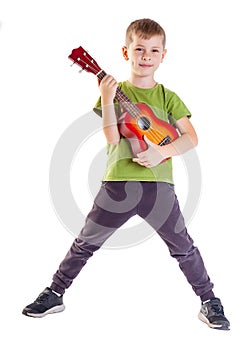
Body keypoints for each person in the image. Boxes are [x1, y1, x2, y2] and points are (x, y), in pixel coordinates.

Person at [22, 18, 230, 330]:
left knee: (183, 247)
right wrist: (107, 98)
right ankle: (55, 292)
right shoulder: (115, 92)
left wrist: (162, 151)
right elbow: (111, 139)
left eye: (153, 50)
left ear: (163, 55)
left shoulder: (167, 97)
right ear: (126, 52)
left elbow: (191, 138)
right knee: (85, 242)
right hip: (117, 184)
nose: (146, 55)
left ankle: (209, 300)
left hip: (159, 187)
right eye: (139, 49)